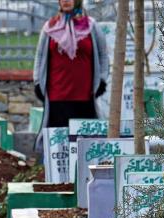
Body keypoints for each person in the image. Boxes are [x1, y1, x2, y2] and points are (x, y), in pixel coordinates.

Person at [33, 0, 109, 130]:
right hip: (57, 97)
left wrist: (102, 79)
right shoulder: (50, 26)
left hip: (84, 97)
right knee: (59, 143)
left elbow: (103, 54)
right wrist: (37, 82)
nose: (66, 1)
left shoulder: (90, 26)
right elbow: (40, 55)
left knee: (83, 141)